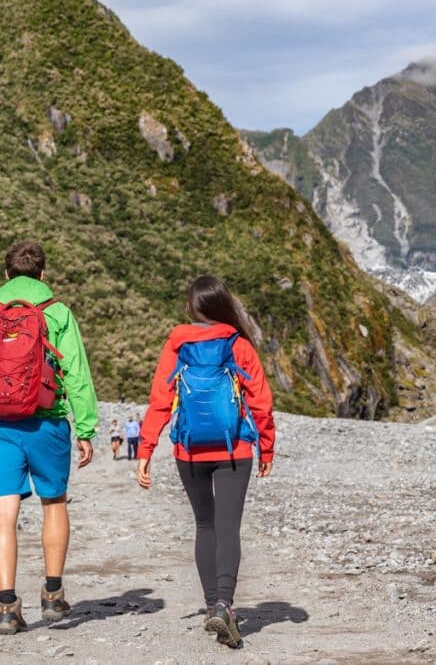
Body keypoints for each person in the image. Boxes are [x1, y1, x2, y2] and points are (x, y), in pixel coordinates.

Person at [0, 241, 98, 634]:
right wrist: (85, 428)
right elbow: (77, 375)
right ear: (43, 275)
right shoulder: (58, 313)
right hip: (47, 423)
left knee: (3, 511)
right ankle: (52, 595)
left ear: (5, 276)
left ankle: (5, 606)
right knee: (54, 503)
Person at [136, 275, 275, 649]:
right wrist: (267, 447)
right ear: (223, 306)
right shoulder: (237, 344)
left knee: (205, 525)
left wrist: (145, 450)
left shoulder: (177, 344)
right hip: (234, 450)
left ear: (191, 308)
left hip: (189, 450)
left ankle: (211, 603)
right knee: (228, 527)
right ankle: (224, 604)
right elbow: (260, 400)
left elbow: (160, 400)